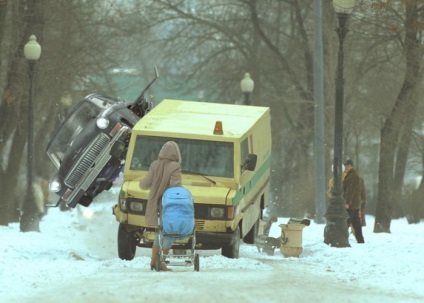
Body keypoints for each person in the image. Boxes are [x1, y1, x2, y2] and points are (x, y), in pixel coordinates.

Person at [139, 141, 182, 271]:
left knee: (159, 232)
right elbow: (175, 186)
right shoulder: (175, 167)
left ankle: (154, 261)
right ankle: (161, 262)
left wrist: (143, 182)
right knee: (168, 232)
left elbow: (144, 184)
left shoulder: (154, 165)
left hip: (154, 204)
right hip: (168, 204)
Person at [342, 159, 365, 243]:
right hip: (354, 204)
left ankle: (343, 240)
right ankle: (360, 240)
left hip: (351, 204)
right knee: (356, 223)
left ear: (352, 166)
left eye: (348, 166)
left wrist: (347, 202)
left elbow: (350, 190)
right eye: (345, 166)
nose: (346, 167)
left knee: (346, 222)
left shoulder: (353, 176)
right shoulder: (350, 175)